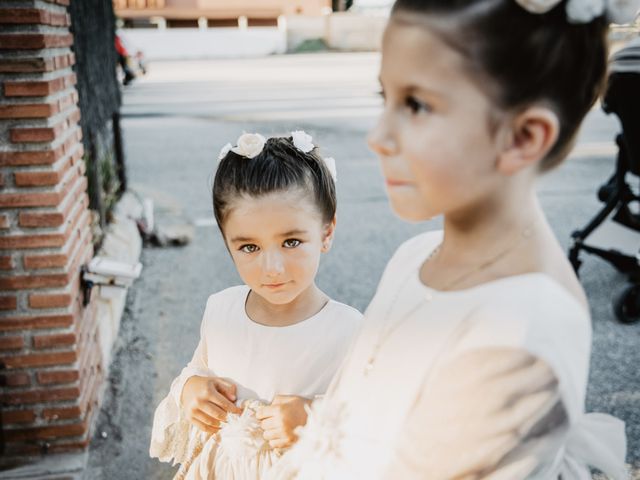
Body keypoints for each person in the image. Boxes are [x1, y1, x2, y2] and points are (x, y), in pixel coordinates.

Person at [272, 0, 633, 478]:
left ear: (523, 137)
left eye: (416, 105)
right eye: (386, 98)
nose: (378, 137)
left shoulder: (520, 335)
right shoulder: (417, 254)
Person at [149, 131, 362, 479]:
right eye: (249, 247)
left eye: (291, 241)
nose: (272, 268)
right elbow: (196, 370)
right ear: (227, 242)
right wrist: (191, 391)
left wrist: (314, 419)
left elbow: (374, 422)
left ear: (326, 232)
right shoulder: (221, 310)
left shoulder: (348, 330)